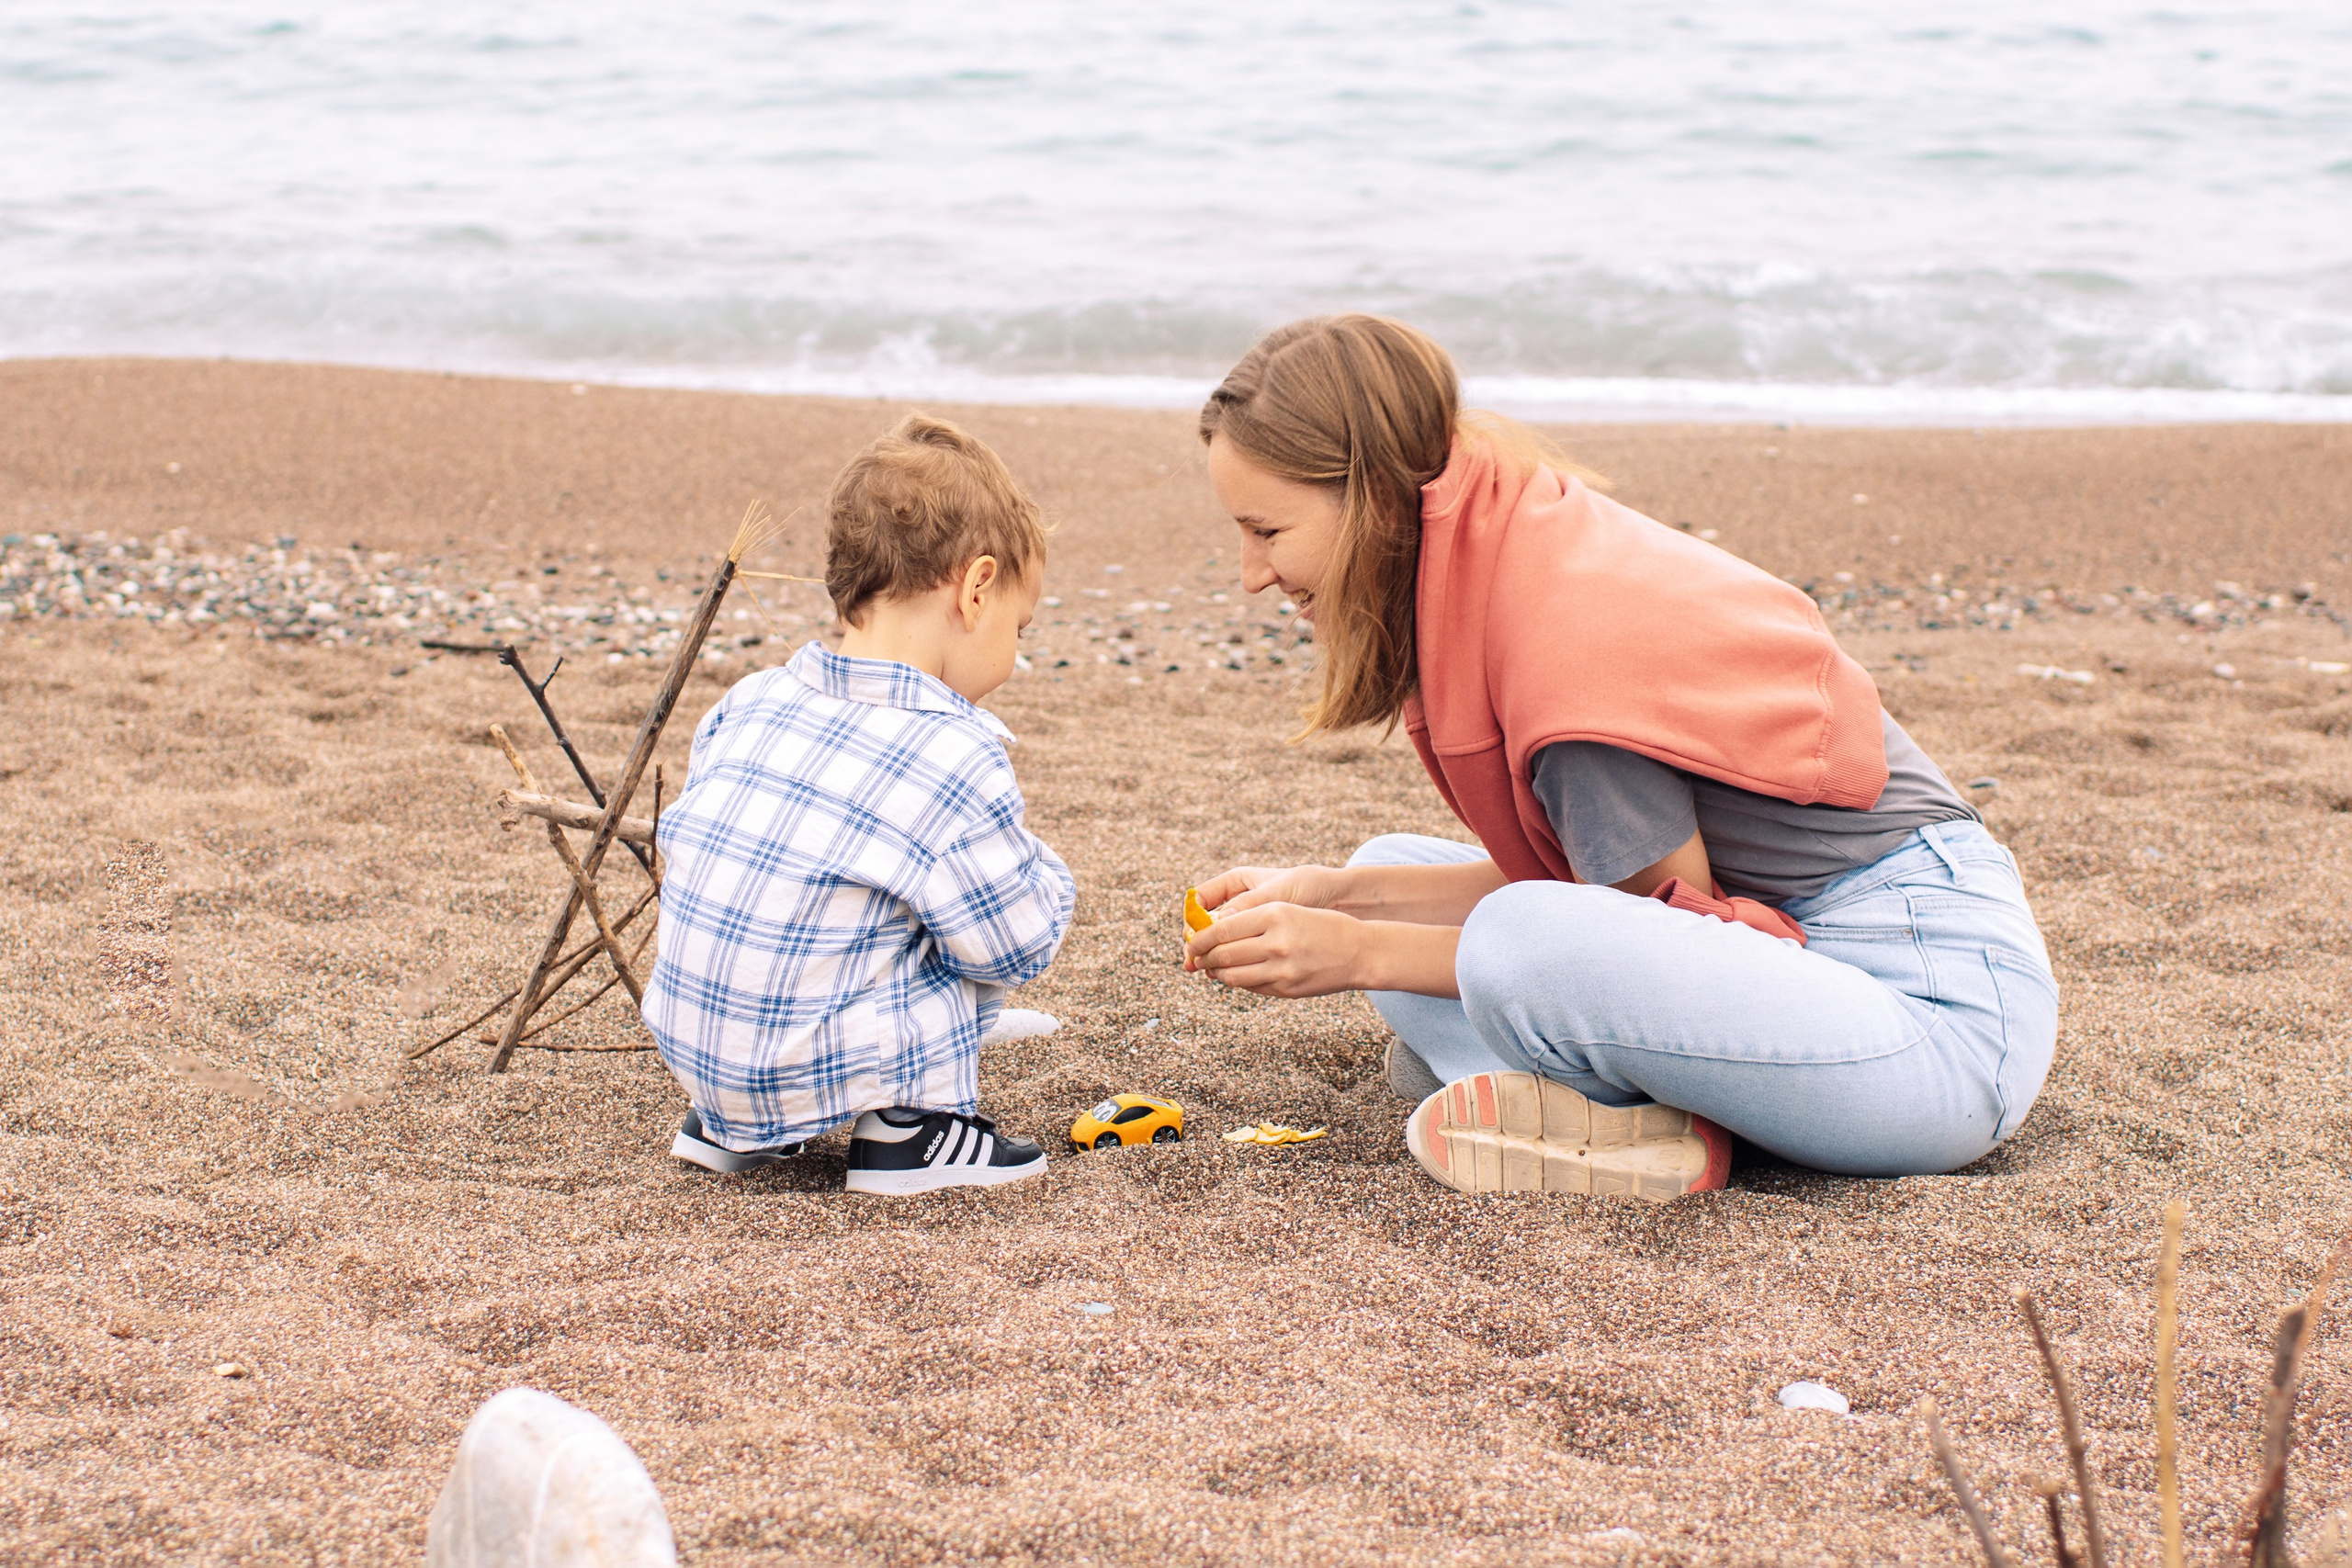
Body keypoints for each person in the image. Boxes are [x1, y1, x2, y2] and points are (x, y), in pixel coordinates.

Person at [1182, 316, 2057, 1201]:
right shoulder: (1504, 539)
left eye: (1267, 530)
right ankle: (1615, 1110)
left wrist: (1361, 953)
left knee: (1510, 943)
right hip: (1818, 968)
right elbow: (1604, 907)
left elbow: (1647, 927)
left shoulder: (1564, 661)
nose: (1252, 573)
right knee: (1386, 869)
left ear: (1373, 498)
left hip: (1942, 1030)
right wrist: (1335, 899)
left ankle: (1611, 1106)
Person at [642, 414, 1075, 1195]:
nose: (1016, 649)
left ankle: (728, 1128)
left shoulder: (750, 700)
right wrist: (1048, 880)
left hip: (699, 1057)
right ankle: (912, 1131)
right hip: (811, 1059)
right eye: (1020, 624)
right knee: (954, 926)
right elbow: (1013, 948)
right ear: (977, 589)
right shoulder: (951, 750)